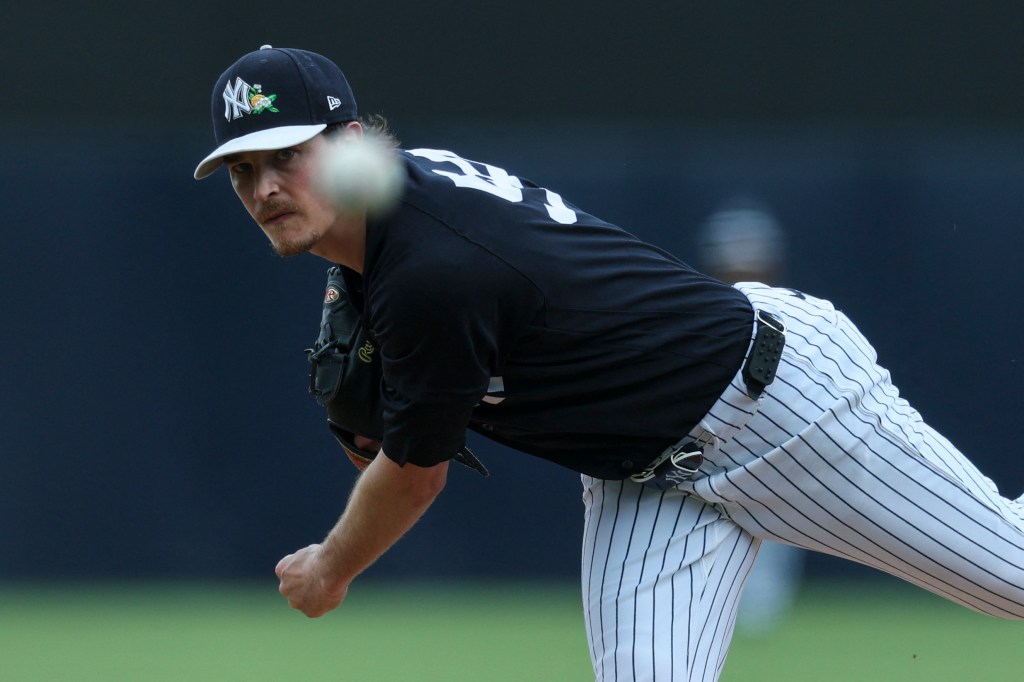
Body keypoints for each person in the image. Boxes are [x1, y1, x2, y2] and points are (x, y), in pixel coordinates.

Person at [194, 46, 1024, 681]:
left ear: (346, 142)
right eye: (242, 170)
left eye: (285, 156)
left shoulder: (430, 270)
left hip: (778, 407)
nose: (264, 187)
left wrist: (330, 569)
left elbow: (414, 477)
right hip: (643, 471)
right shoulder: (391, 208)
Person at [696, 197, 804, 634]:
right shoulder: (703, 308)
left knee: (776, 506)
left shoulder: (794, 312)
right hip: (716, 433)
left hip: (773, 431)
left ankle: (760, 601)